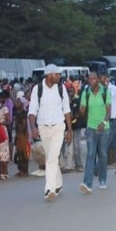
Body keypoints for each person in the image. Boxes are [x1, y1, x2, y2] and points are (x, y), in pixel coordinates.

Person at [28, 64, 72, 201]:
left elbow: (67, 110)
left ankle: (49, 188)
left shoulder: (61, 88)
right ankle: (58, 183)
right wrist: (33, 128)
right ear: (48, 75)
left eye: (59, 74)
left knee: (52, 157)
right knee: (50, 157)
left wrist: (69, 130)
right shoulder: (37, 89)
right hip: (43, 127)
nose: (59, 77)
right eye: (56, 74)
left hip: (58, 126)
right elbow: (32, 110)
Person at [79, 73, 111, 194]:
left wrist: (103, 123)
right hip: (91, 128)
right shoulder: (86, 93)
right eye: (89, 79)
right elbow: (82, 110)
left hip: (104, 128)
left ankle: (102, 179)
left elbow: (108, 112)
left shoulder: (105, 92)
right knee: (91, 154)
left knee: (102, 154)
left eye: (93, 79)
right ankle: (87, 183)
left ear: (98, 80)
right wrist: (81, 110)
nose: (91, 81)